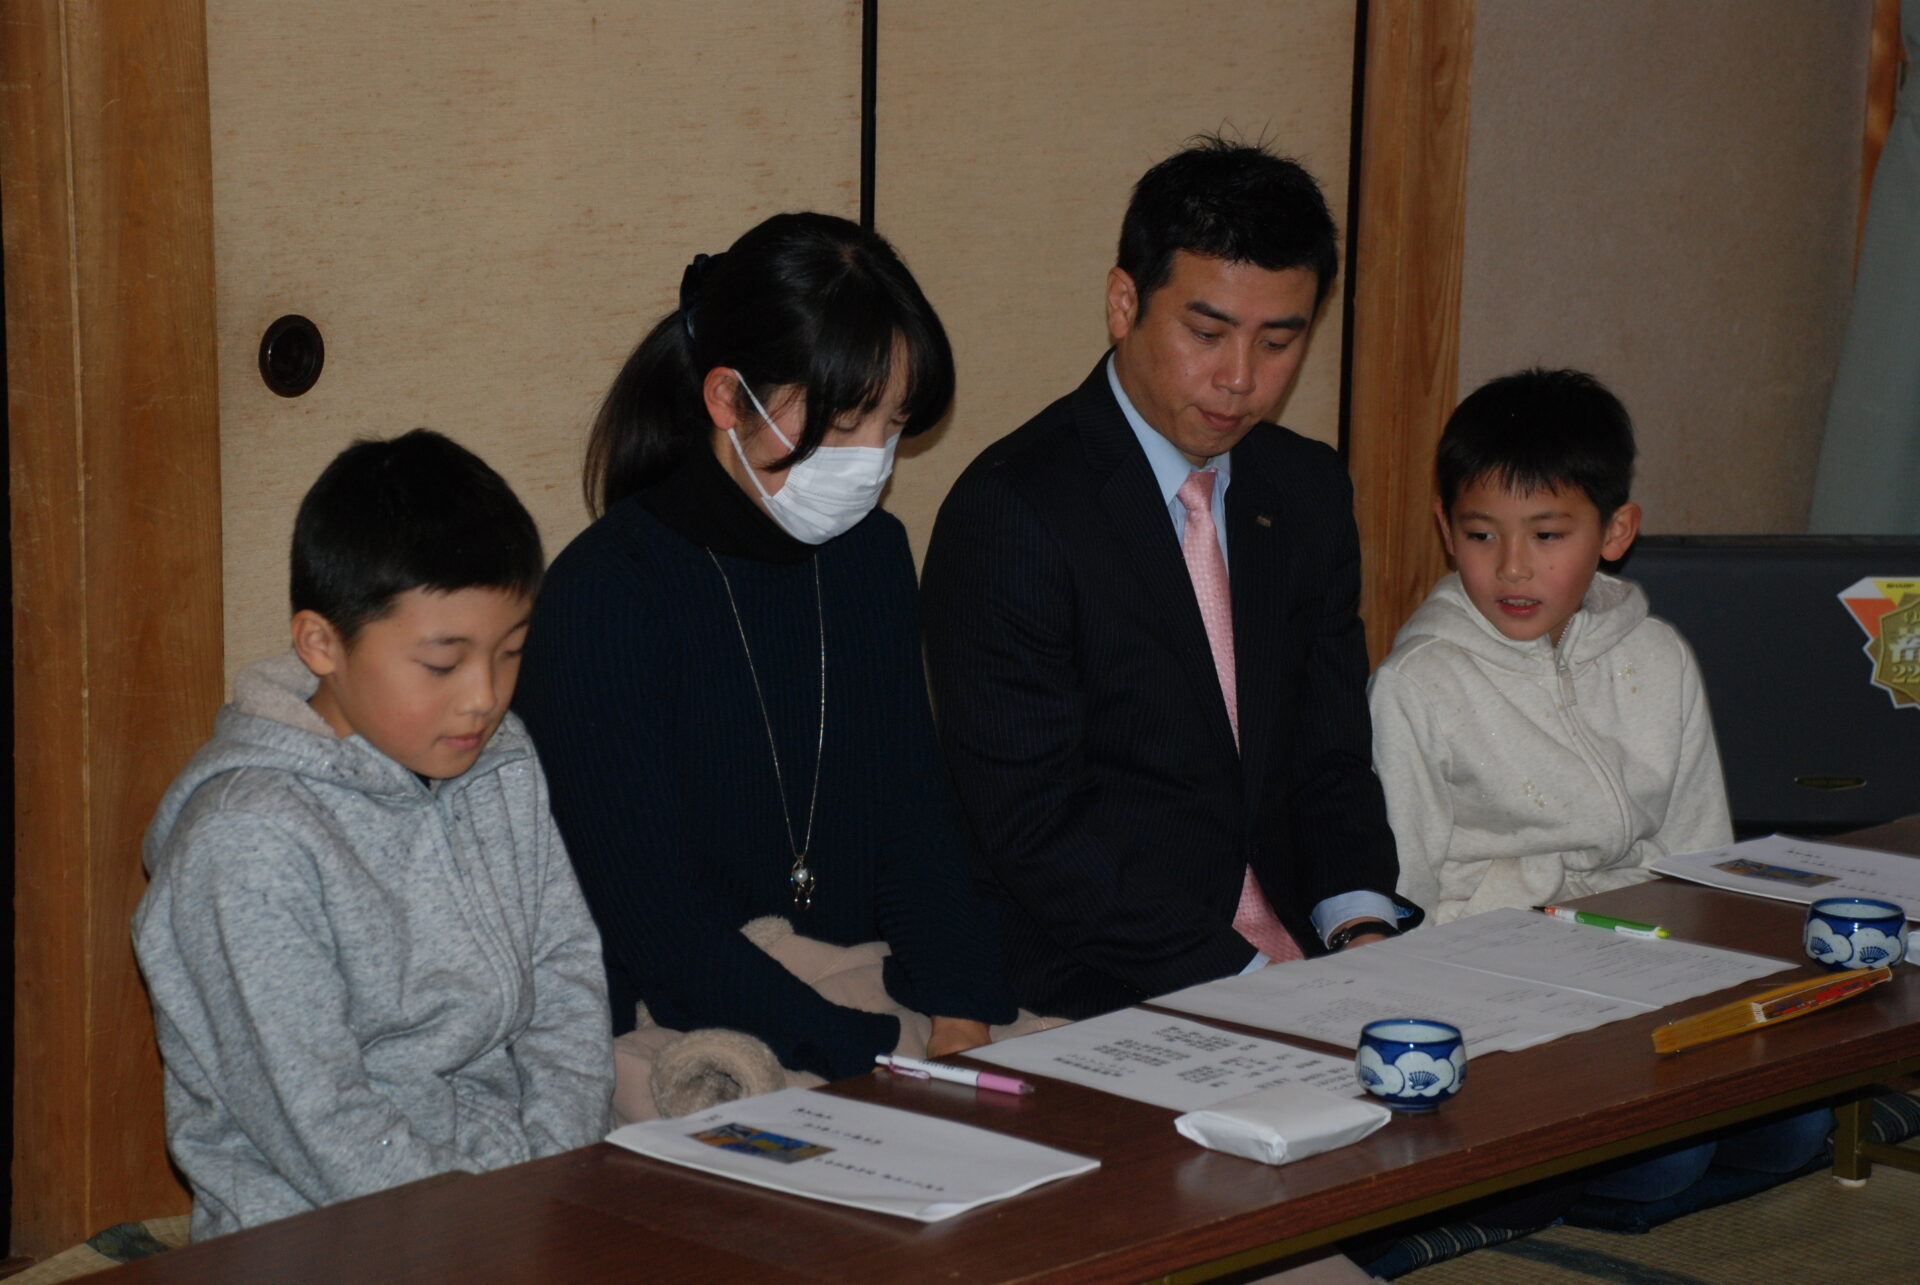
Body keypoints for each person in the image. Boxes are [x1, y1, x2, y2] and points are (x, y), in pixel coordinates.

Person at [514, 212, 1016, 1097]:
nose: (873, 462)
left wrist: (963, 1017)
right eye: (847, 421)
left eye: (892, 424)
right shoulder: (606, 595)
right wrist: (860, 1051)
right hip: (684, 1025)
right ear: (726, 400)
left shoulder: (871, 555)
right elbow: (655, 929)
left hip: (865, 1002)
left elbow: (914, 815)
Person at [921, 136, 1419, 1022]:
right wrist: (1255, 989)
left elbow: (1330, 753)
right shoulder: (1014, 512)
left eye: (1279, 340)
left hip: (1303, 959)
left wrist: (1361, 931)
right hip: (1100, 984)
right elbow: (1038, 829)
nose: (1240, 379)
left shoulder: (1304, 489)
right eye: (1207, 332)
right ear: (1124, 303)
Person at [1365, 368, 1828, 1236]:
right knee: (1670, 1162)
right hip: (1502, 994)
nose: (1511, 566)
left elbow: (1702, 863)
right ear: (1443, 526)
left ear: (1615, 532)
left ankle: (1544, 1188)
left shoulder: (1657, 656)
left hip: (1643, 980)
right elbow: (1405, 901)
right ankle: (1514, 1186)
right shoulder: (1417, 685)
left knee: (1795, 1125)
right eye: (1479, 533)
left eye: (1547, 534)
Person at [133, 430, 614, 1239]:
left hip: (514, 1202)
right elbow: (314, 1113)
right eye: (441, 663)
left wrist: (555, 1174)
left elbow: (564, 975)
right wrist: (481, 1224)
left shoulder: (502, 764)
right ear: (322, 643)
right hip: (317, 1230)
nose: (484, 698)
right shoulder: (248, 839)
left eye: (511, 652)